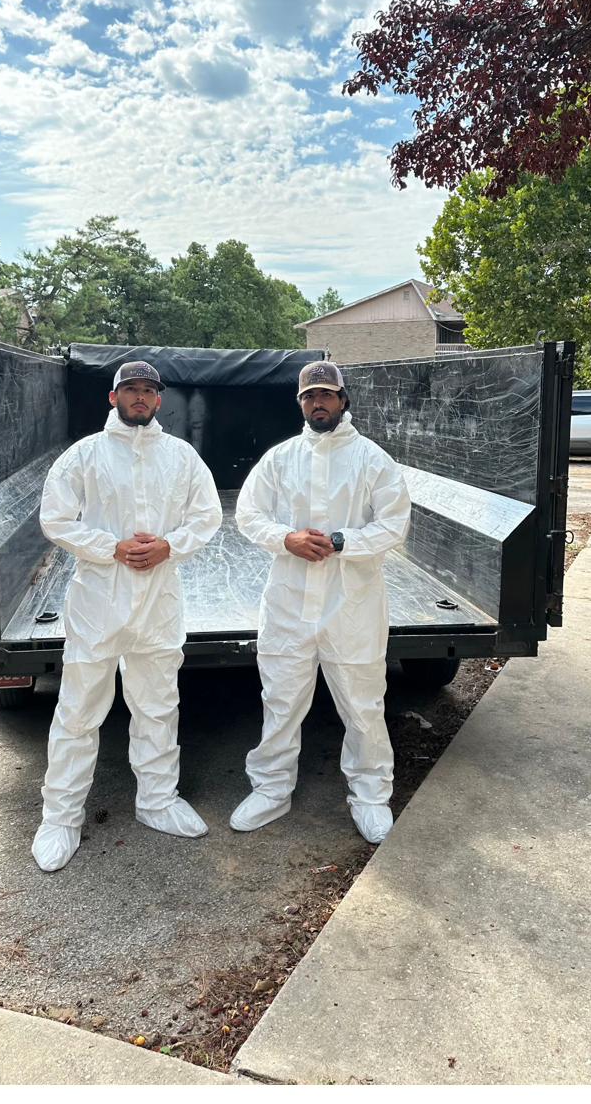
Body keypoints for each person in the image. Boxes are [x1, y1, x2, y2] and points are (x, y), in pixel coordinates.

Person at [31, 360, 223, 872]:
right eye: (130, 390)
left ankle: (157, 800)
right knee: (78, 710)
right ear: (112, 398)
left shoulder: (180, 457)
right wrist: (108, 547)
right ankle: (61, 816)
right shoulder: (85, 456)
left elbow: (207, 516)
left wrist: (169, 547)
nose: (140, 398)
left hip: (158, 601)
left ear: (159, 401)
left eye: (148, 391)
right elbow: (55, 517)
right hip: (98, 602)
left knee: (158, 704)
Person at [232, 360, 411, 844]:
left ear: (343, 400)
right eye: (310, 396)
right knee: (281, 699)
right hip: (290, 601)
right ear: (300, 404)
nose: (318, 403)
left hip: (350, 604)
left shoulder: (373, 459)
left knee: (362, 702)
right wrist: (285, 538)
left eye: (326, 395)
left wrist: (342, 540)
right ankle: (271, 789)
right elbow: (248, 513)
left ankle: (371, 795)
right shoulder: (281, 458)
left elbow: (394, 524)